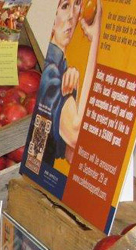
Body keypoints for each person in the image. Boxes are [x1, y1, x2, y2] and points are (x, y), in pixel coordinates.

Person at [37, 0, 102, 167]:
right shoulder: (51, 71)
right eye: (65, 6)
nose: (72, 15)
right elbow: (77, 134)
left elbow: (72, 154)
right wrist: (95, 41)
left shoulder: (61, 67)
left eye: (77, 4)